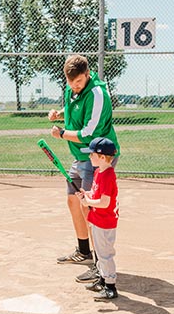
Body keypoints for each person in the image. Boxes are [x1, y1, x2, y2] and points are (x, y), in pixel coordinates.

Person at [48, 54, 120, 284]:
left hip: (97, 157)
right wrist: (60, 113)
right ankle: (84, 252)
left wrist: (61, 134)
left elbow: (89, 133)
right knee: (73, 201)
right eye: (70, 83)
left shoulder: (98, 94)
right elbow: (74, 104)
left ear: (87, 75)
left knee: (90, 207)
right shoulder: (74, 89)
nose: (73, 86)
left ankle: (100, 266)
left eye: (77, 82)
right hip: (80, 156)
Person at [75, 137, 119, 300]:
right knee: (99, 253)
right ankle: (102, 279)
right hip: (96, 219)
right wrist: (87, 195)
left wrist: (88, 202)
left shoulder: (108, 175)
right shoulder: (98, 172)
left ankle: (110, 286)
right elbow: (96, 194)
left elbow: (104, 202)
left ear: (102, 157)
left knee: (105, 254)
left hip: (105, 222)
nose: (89, 157)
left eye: (92, 154)